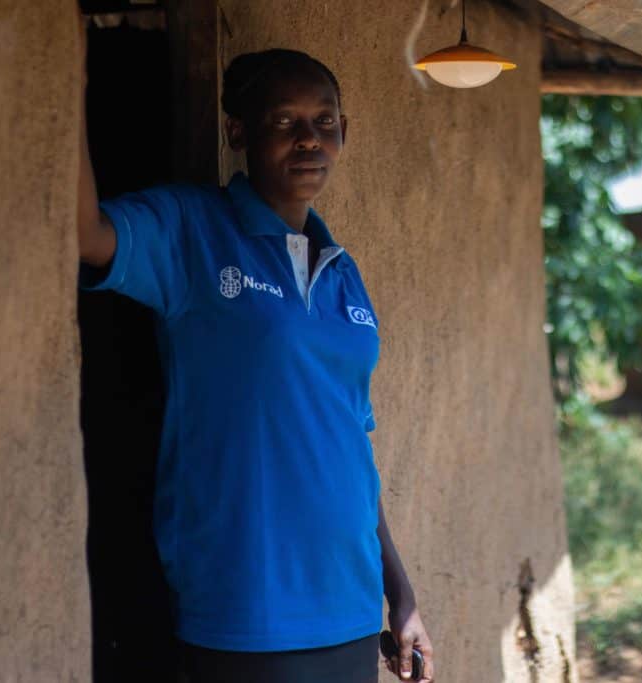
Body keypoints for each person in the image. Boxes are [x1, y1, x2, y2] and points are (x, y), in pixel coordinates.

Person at [77, 42, 435, 683]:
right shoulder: (192, 229)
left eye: (324, 122)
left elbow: (351, 445)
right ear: (238, 132)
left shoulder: (342, 272)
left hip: (352, 607)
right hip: (246, 607)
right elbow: (85, 235)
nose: (308, 140)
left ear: (344, 133)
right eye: (284, 122)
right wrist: (60, 76)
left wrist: (399, 593)